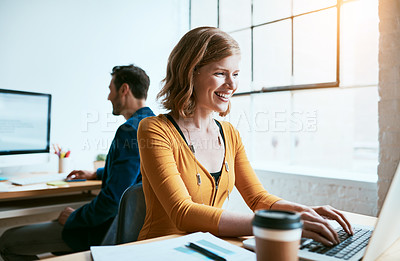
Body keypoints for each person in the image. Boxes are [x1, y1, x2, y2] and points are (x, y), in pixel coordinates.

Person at [136, 27, 353, 246]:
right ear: (190, 73)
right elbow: (183, 213)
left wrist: (304, 213)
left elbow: (258, 199)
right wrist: (280, 224)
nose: (231, 85)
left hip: (207, 249)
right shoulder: (155, 130)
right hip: (158, 250)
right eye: (220, 73)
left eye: (236, 74)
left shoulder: (230, 134)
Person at [0, 64, 155, 260]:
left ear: (124, 89)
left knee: (7, 240)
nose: (108, 97)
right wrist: (96, 174)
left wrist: (74, 217)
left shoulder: (129, 130)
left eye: (110, 89)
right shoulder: (152, 124)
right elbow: (137, 170)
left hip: (107, 232)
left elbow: (112, 201)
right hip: (135, 230)